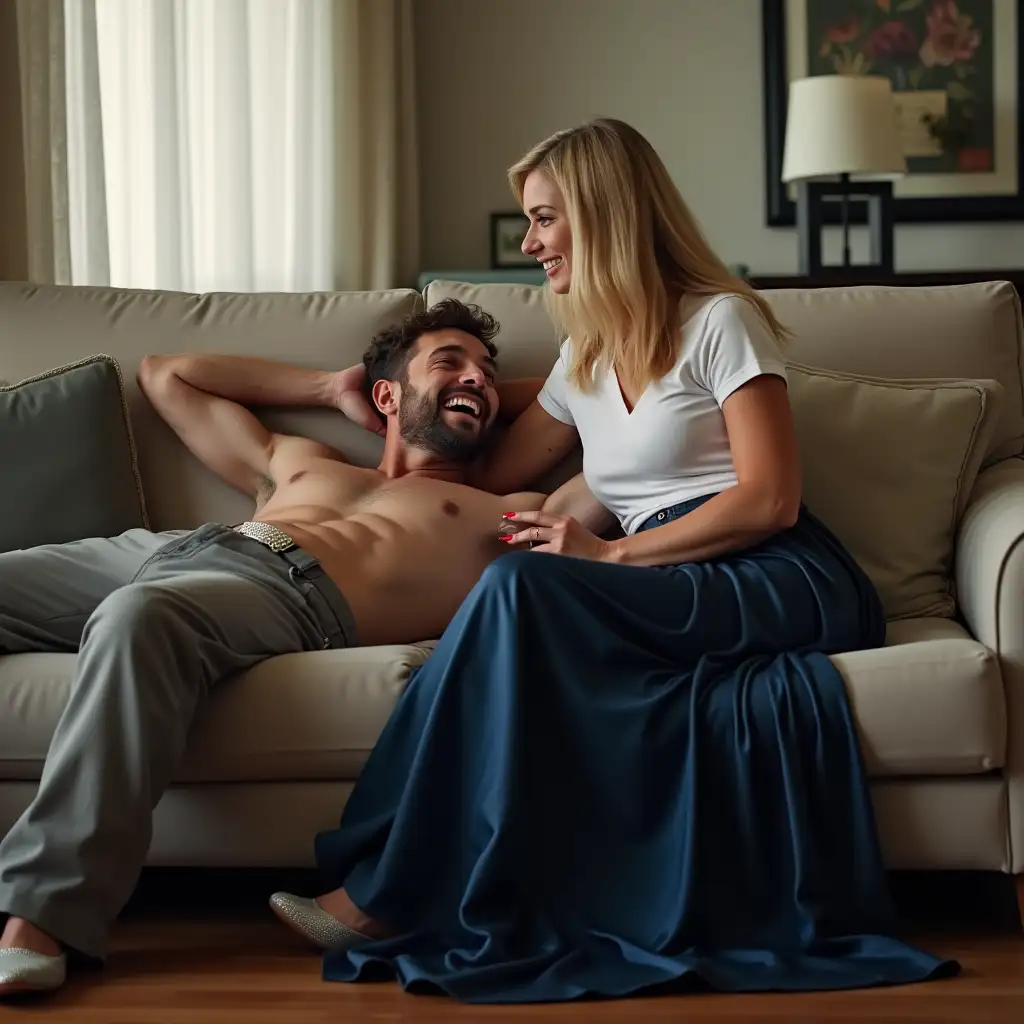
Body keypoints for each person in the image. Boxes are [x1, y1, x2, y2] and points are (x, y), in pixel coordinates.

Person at [270, 118, 958, 1003]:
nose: (529, 244)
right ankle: (392, 881)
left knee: (523, 587)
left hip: (775, 569)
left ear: (604, 217)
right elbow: (495, 469)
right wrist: (374, 406)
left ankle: (380, 891)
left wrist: (613, 554)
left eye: (545, 219)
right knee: (512, 585)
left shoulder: (722, 321)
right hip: (666, 578)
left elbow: (768, 498)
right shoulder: (583, 361)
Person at [0, 298, 593, 997]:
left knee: (140, 618)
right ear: (386, 394)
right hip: (177, 549)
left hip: (286, 593)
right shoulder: (307, 459)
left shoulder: (509, 511)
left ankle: (43, 914)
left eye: (490, 374)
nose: (481, 381)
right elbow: (168, 377)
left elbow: (615, 398)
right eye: (452, 362)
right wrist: (328, 389)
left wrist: (479, 388)